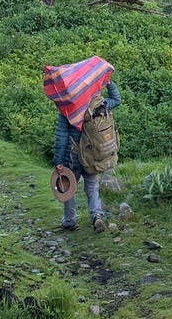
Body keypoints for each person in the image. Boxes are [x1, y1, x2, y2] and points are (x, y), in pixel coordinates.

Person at [52, 77, 121, 231]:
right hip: (93, 157)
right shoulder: (99, 105)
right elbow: (117, 99)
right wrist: (109, 83)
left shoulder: (68, 110)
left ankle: (70, 220)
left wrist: (58, 161)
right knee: (92, 187)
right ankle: (97, 216)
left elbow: (61, 138)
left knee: (69, 188)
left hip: (73, 158)